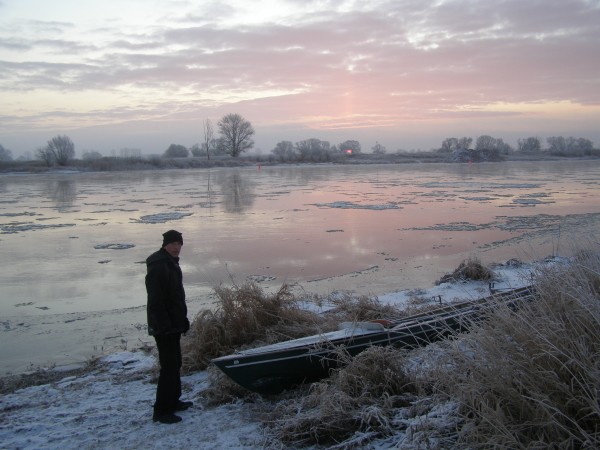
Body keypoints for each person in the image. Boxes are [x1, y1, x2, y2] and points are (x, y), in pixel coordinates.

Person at [145, 229, 192, 424]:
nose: (176, 247)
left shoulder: (170, 263)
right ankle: (161, 411)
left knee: (175, 363)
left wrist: (182, 320)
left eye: (179, 244)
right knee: (168, 367)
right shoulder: (159, 266)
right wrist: (164, 325)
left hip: (173, 323)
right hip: (163, 326)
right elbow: (156, 301)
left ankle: (173, 400)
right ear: (165, 245)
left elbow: (175, 298)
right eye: (173, 243)